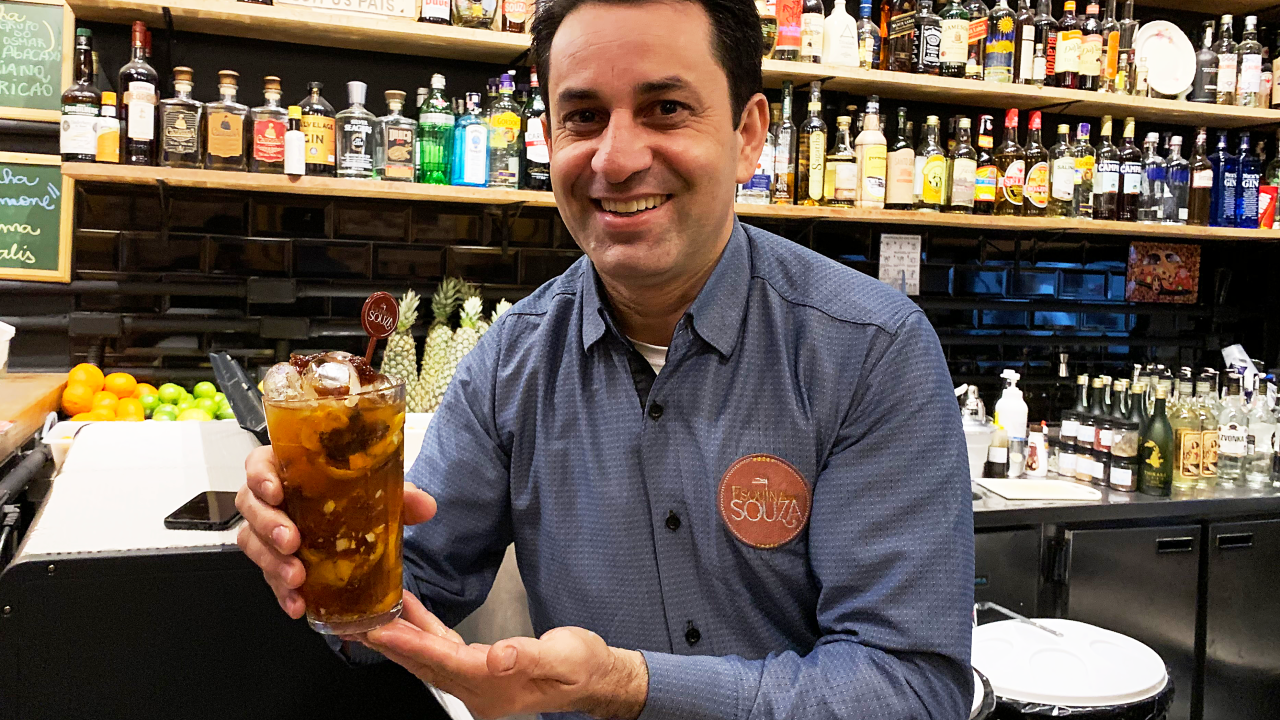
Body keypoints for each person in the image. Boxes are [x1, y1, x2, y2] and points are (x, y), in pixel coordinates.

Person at [237, 0, 974, 717]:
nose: (616, 161)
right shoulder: (510, 364)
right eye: (583, 117)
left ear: (750, 135)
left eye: (666, 109)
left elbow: (909, 688)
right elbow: (399, 601)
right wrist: (322, 555)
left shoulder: (871, 349)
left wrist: (628, 685)